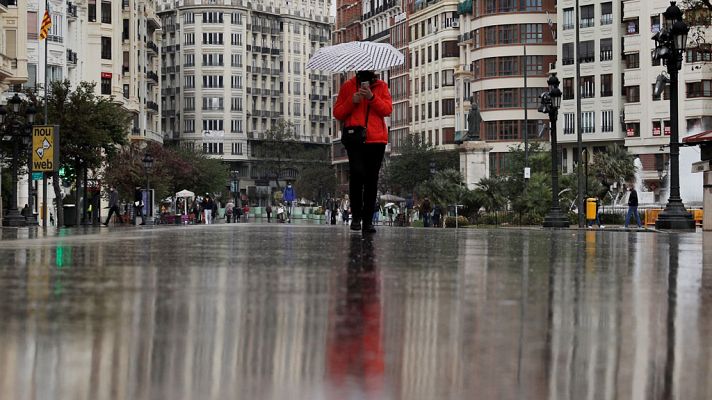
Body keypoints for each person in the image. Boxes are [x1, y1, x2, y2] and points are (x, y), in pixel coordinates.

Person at [334, 70, 392, 234]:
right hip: (355, 139)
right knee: (357, 175)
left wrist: (371, 97)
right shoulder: (348, 86)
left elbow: (387, 109)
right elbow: (338, 112)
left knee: (371, 180)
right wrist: (352, 101)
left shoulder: (381, 86)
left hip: (376, 140)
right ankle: (356, 217)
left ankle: (368, 221)